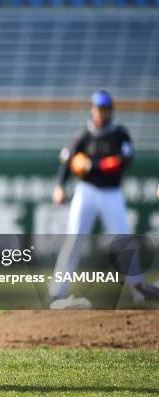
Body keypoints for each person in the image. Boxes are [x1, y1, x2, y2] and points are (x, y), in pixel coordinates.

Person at [49, 90, 159, 309]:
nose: (102, 112)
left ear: (111, 110)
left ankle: (139, 291)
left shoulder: (119, 134)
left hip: (111, 193)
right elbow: (68, 160)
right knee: (74, 239)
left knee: (123, 241)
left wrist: (94, 165)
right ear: (93, 109)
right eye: (99, 108)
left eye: (105, 108)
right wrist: (61, 185)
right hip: (86, 191)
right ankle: (57, 291)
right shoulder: (84, 134)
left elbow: (125, 159)